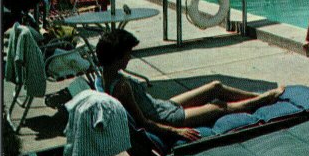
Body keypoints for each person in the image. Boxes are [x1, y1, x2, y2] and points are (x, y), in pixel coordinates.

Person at [96, 29, 285, 142]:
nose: (130, 56)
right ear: (118, 55)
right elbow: (143, 123)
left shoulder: (105, 76)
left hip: (162, 105)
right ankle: (264, 99)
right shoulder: (121, 87)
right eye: (128, 52)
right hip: (169, 118)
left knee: (215, 86)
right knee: (218, 106)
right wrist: (177, 131)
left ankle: (254, 95)